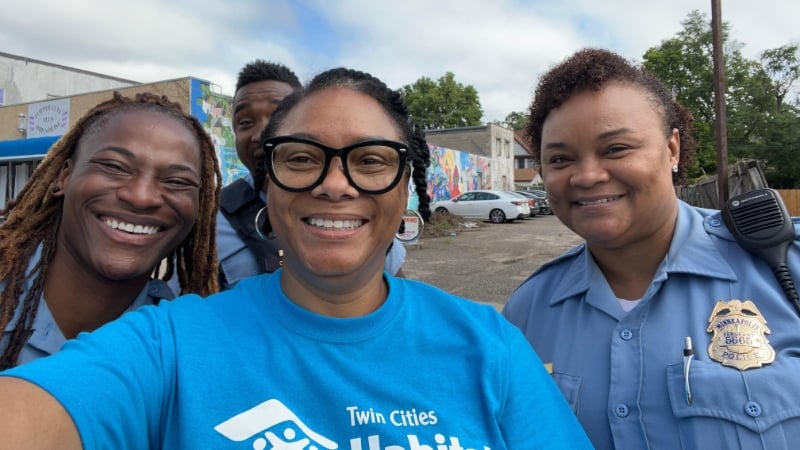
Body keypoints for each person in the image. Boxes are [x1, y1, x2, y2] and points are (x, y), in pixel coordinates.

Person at [0, 67, 591, 449]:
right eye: (303, 158)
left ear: (407, 185)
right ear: (268, 186)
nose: (336, 185)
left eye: (371, 159)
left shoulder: (490, 345)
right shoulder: (169, 342)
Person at [502, 47, 800, 449]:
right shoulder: (527, 312)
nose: (588, 176)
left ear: (672, 149)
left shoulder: (783, 267)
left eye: (616, 148)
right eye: (560, 158)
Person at [0, 92, 220, 370]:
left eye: (176, 181)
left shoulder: (185, 348)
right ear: (64, 177)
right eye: (115, 167)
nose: (141, 197)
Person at [217, 60, 407, 291]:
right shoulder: (213, 222)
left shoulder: (369, 210)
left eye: (278, 116)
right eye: (246, 122)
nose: (262, 134)